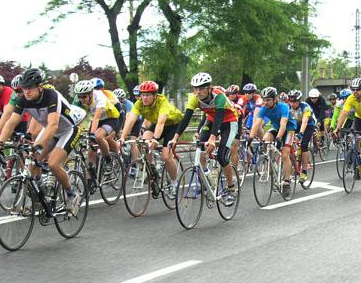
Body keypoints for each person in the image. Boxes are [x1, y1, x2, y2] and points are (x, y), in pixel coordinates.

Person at [0, 68, 83, 214]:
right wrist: (0, 143)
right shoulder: (23, 99)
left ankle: (71, 193)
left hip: (68, 130)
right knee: (33, 161)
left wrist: (39, 145)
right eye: (24, 88)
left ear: (40, 87)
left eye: (30, 88)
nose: (26, 92)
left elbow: (53, 125)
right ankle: (41, 198)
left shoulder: (51, 96)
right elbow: (11, 122)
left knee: (53, 164)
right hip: (49, 130)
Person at [170, 72, 239, 203]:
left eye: (201, 88)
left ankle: (231, 188)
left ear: (209, 88)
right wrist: (175, 137)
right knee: (199, 146)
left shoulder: (219, 96)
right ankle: (206, 176)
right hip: (210, 120)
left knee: (222, 156)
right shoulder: (194, 98)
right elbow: (186, 119)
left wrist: (212, 138)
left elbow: (219, 118)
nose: (198, 91)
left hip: (229, 121)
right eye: (195, 88)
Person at [118, 81, 183, 189]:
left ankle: (174, 183)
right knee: (143, 142)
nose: (144, 98)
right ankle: (151, 167)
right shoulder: (139, 103)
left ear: (155, 95)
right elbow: (130, 121)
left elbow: (161, 123)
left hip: (173, 124)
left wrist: (155, 139)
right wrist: (122, 138)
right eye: (143, 95)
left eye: (148, 95)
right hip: (157, 123)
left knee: (166, 157)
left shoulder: (162, 102)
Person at [250, 86, 297, 196]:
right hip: (276, 128)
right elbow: (257, 124)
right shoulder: (264, 108)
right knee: (266, 140)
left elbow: (283, 124)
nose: (265, 102)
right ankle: (271, 162)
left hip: (289, 129)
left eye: (268, 100)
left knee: (285, 154)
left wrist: (279, 138)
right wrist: (250, 138)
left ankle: (286, 182)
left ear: (275, 99)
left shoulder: (283, 107)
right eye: (264, 100)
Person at [333, 77, 361, 173]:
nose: (355, 91)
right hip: (359, 117)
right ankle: (358, 156)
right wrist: (338, 128)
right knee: (353, 136)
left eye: (357, 89)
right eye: (353, 89)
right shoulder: (351, 98)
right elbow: (344, 113)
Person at [73, 79, 121, 171]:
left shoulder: (99, 96)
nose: (81, 99)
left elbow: (96, 117)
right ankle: (91, 173)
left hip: (110, 118)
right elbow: (74, 115)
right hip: (96, 120)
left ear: (91, 94)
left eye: (84, 97)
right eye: (79, 97)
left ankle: (108, 160)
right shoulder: (78, 99)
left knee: (98, 136)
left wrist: (92, 134)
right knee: (91, 145)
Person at [287, 90, 316, 183]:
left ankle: (304, 171)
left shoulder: (305, 107)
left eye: (294, 102)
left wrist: (300, 134)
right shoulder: (287, 107)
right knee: (287, 144)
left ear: (299, 101)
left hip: (308, 126)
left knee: (304, 145)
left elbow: (304, 122)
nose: (292, 104)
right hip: (295, 125)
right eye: (290, 101)